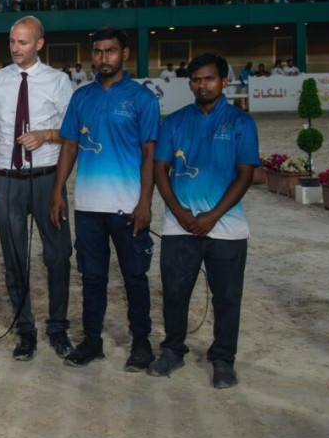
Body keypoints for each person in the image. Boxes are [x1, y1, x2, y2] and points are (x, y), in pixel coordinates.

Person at [0, 16, 74, 362]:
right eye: (12, 42)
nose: (16, 48)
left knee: (58, 256)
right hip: (7, 180)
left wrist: (46, 135)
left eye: (23, 42)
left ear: (39, 43)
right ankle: (25, 331)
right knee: (14, 259)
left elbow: (72, 130)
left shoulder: (58, 81)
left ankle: (58, 327)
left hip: (49, 179)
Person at [50, 25, 159, 371]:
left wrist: (145, 202)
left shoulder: (142, 98)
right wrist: (58, 191)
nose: (103, 58)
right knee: (92, 277)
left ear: (124, 54)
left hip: (128, 208)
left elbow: (149, 153)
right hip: (88, 208)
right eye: (97, 52)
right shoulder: (81, 97)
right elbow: (68, 146)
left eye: (110, 51)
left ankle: (141, 341)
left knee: (134, 277)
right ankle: (92, 340)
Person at [148, 53, 259, 389]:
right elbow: (160, 170)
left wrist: (213, 215)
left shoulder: (241, 122)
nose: (202, 85)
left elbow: (245, 175)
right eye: (196, 79)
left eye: (209, 78)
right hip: (179, 225)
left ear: (224, 81)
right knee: (175, 293)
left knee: (227, 297)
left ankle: (223, 359)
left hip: (227, 227)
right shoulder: (175, 122)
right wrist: (180, 212)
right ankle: (172, 350)